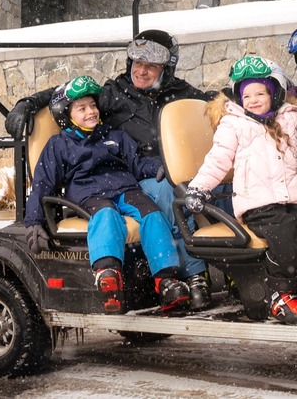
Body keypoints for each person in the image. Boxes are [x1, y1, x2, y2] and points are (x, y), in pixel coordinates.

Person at [184, 56, 297, 325]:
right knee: (288, 236)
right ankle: (283, 293)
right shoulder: (234, 123)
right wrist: (199, 188)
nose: (253, 100)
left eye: (260, 94)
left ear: (275, 94)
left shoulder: (290, 118)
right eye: (246, 95)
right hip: (259, 204)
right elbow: (218, 159)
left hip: (293, 199)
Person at [23, 74, 191, 314]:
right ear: (66, 115)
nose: (91, 112)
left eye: (92, 106)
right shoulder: (59, 144)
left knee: (152, 214)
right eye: (82, 108)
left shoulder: (115, 136)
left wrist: (158, 168)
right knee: (107, 215)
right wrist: (34, 221)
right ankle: (108, 274)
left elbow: (137, 163)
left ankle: (166, 280)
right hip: (90, 194)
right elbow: (42, 184)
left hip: (125, 189)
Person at [97, 29, 217, 302]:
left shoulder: (179, 92)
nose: (141, 71)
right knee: (168, 192)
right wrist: (29, 103)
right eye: (138, 63)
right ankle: (194, 273)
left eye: (151, 66)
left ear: (166, 68)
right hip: (139, 174)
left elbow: (211, 106)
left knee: (225, 187)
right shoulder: (114, 94)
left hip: (182, 170)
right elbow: (73, 97)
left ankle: (239, 267)